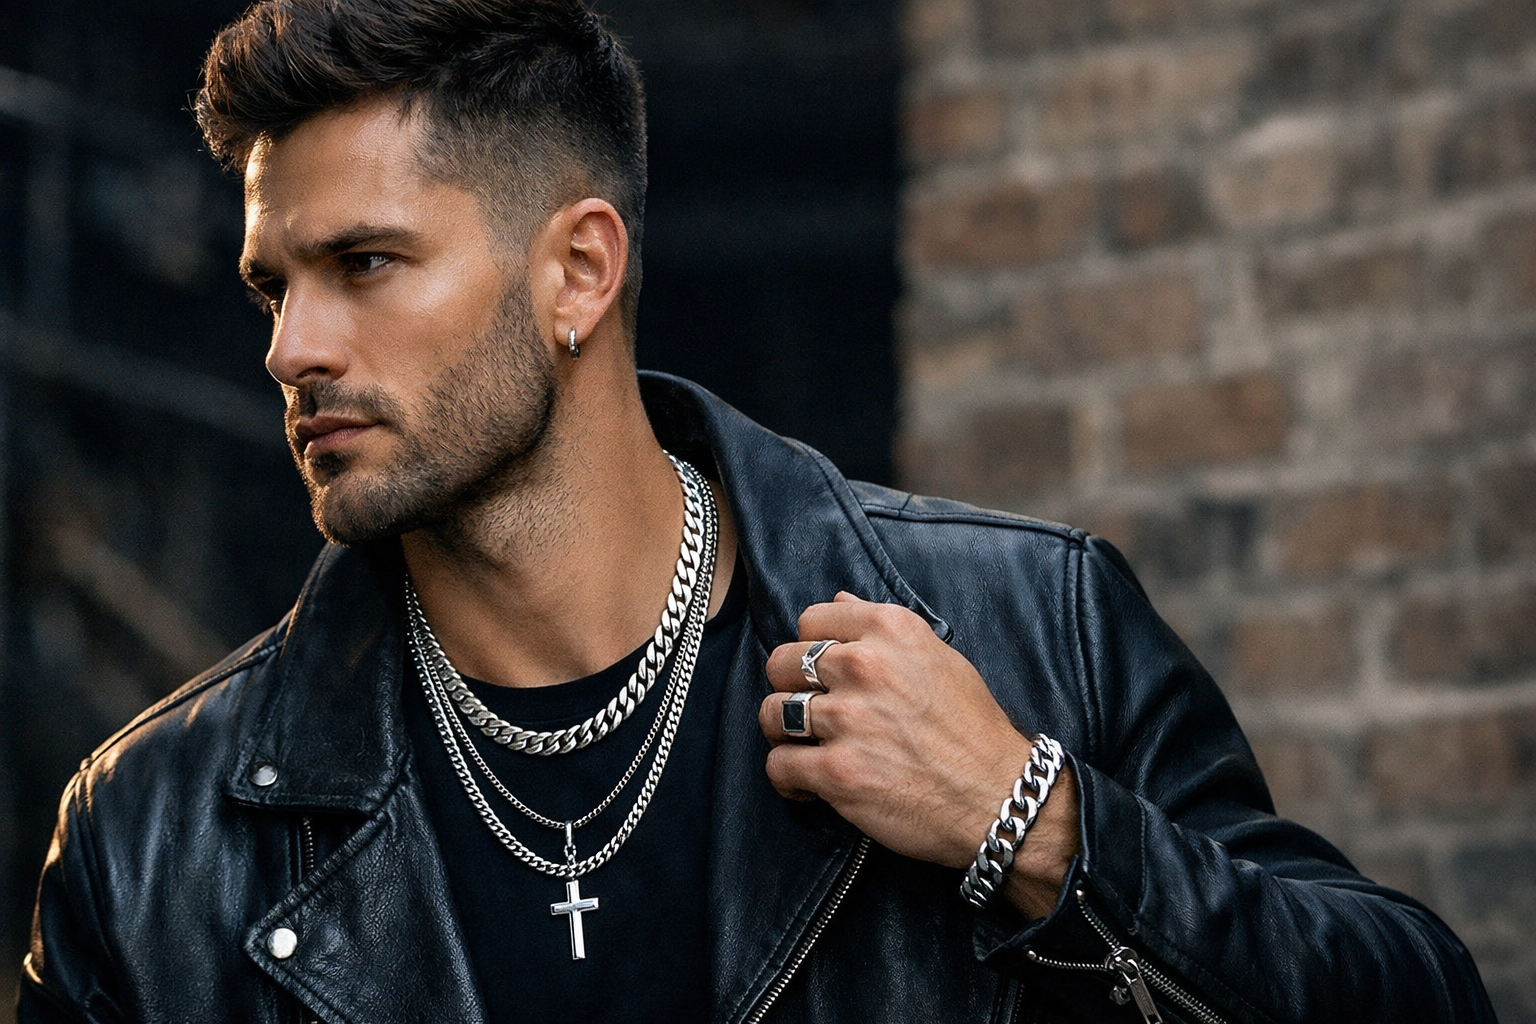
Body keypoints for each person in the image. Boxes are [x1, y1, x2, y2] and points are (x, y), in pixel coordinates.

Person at [16, 0, 1497, 1021]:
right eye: (278, 285)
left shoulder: (1022, 630)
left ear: (579, 273)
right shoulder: (156, 842)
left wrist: (1033, 827)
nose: (293, 348)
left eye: (367, 266)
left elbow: (1412, 996)